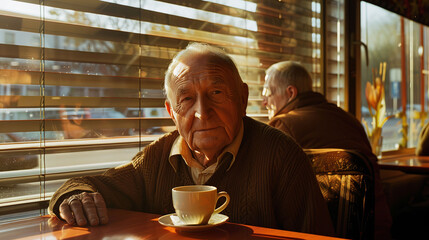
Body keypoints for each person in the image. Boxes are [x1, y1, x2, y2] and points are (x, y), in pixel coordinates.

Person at [48, 43, 334, 236]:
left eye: (217, 94)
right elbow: (88, 186)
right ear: (172, 112)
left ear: (243, 98)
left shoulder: (281, 154)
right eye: (186, 99)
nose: (202, 112)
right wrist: (74, 196)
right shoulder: (155, 158)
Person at [262, 60, 392, 239]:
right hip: (377, 228)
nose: (263, 102)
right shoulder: (349, 119)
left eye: (267, 93)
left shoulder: (283, 126)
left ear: (291, 93)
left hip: (325, 232)